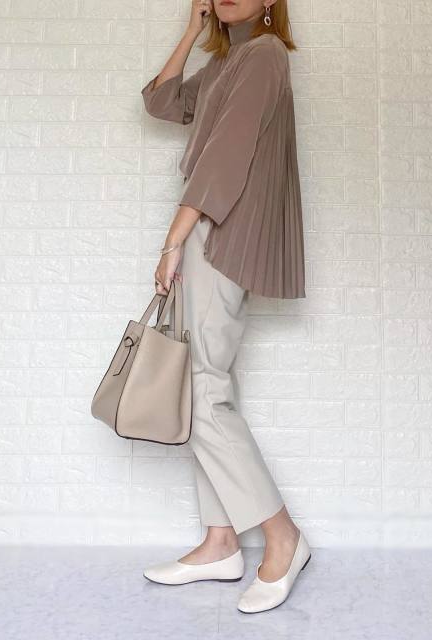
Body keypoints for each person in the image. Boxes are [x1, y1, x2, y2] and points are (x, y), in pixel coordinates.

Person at [140, 0, 309, 614]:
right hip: (209, 231)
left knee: (205, 391)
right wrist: (194, 29)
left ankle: (283, 537)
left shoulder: (263, 55)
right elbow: (162, 102)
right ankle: (219, 543)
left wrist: (173, 241)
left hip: (220, 233)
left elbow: (224, 157)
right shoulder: (226, 63)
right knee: (203, 385)